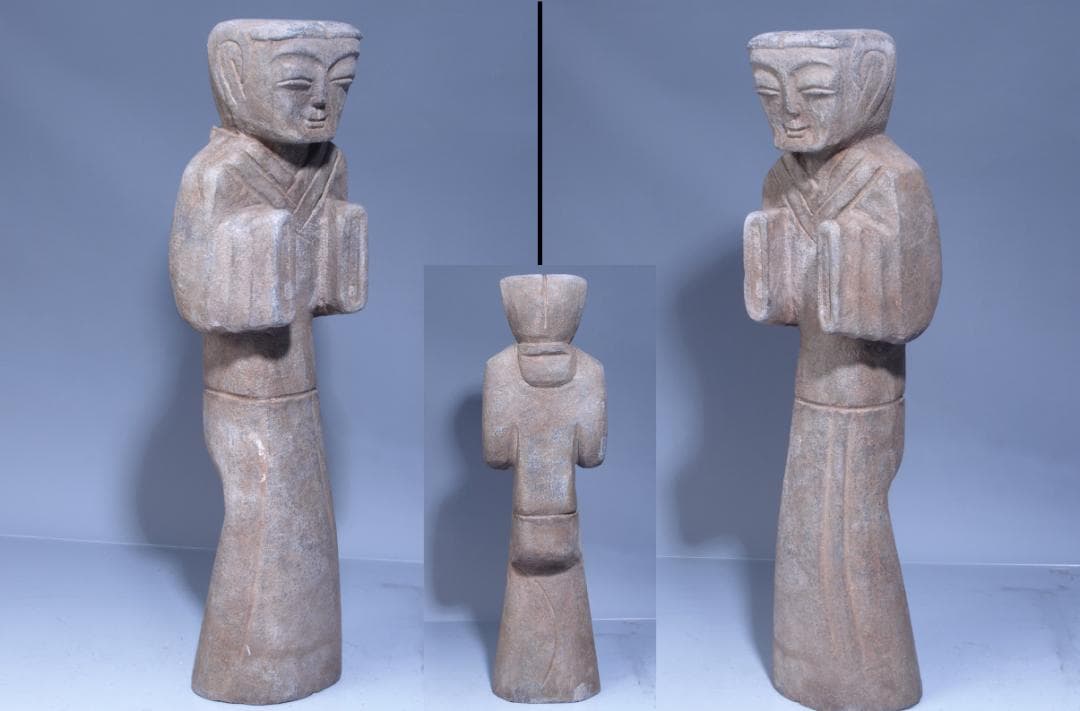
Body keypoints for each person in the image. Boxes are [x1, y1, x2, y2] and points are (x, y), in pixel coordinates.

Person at [168, 19, 367, 705]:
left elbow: (329, 290)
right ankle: (243, 669)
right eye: (296, 82)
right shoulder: (216, 174)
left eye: (341, 85)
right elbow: (193, 291)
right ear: (233, 75)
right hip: (243, 387)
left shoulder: (328, 165)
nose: (322, 103)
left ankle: (307, 658)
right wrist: (259, 248)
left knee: (303, 519)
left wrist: (336, 249)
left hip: (299, 384)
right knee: (260, 514)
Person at [744, 29, 941, 711]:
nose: (790, 110)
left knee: (852, 527)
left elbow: (916, 301)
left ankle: (874, 676)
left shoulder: (893, 178)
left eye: (814, 90)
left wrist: (850, 260)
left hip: (865, 388)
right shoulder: (784, 178)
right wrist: (774, 256)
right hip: (813, 384)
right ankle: (808, 665)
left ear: (868, 86)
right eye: (769, 92)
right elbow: (784, 303)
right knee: (807, 523)